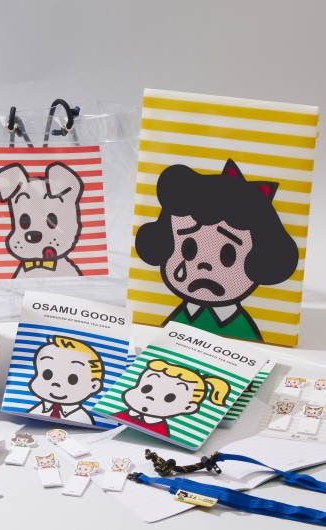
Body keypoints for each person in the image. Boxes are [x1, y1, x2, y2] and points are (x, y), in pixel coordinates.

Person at [135, 159, 298, 342]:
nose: (204, 265)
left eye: (228, 256)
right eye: (189, 250)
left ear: (262, 261)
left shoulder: (245, 331)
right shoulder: (168, 321)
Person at [112, 359, 230, 437]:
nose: (150, 397)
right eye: (146, 388)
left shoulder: (160, 430)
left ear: (189, 407)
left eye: (169, 398)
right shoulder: (120, 415)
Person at [27, 336, 104, 425]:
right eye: (47, 374)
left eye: (73, 379)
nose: (56, 384)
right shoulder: (35, 411)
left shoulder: (85, 419)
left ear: (94, 386)